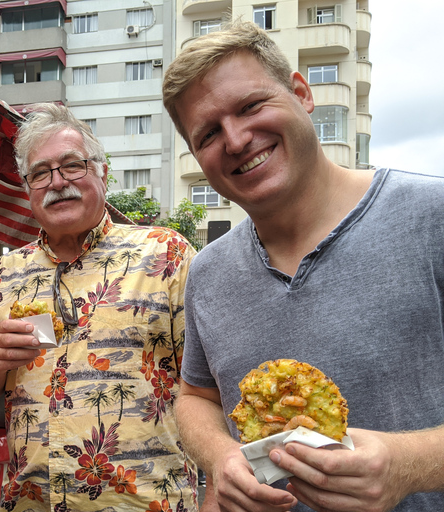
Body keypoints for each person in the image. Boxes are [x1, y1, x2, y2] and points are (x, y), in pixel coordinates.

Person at [162, 20, 444, 512]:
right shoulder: (206, 272)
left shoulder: (431, 218)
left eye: (250, 106)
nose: (235, 140)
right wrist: (221, 456)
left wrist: (409, 464)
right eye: (208, 133)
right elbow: (196, 397)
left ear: (301, 93)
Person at [0, 103, 202, 512]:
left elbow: (209, 386)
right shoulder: (4, 272)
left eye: (72, 165)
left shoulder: (166, 254)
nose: (57, 182)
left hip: (148, 504)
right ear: (28, 188)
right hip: (29, 503)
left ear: (102, 171)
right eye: (40, 172)